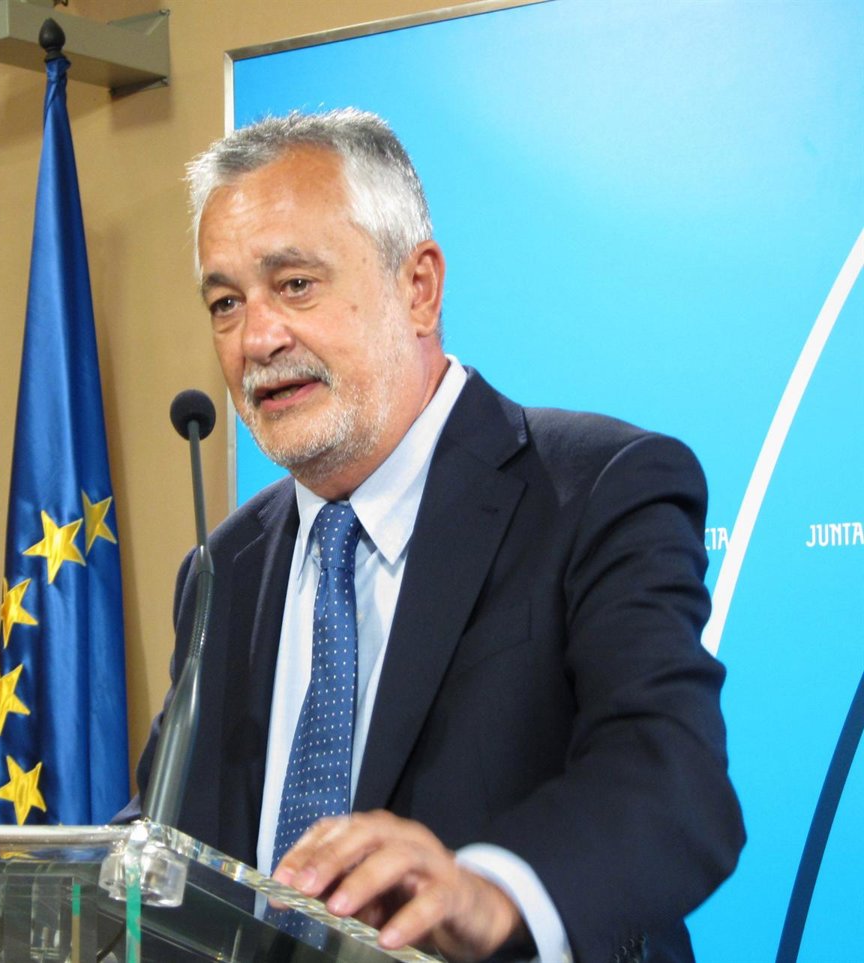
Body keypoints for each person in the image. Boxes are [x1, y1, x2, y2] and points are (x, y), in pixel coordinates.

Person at [126, 109, 744, 963]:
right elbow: (167, 839)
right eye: (226, 302)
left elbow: (672, 779)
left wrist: (490, 890)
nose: (256, 338)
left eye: (295, 284)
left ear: (418, 287)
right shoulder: (224, 565)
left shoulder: (597, 489)